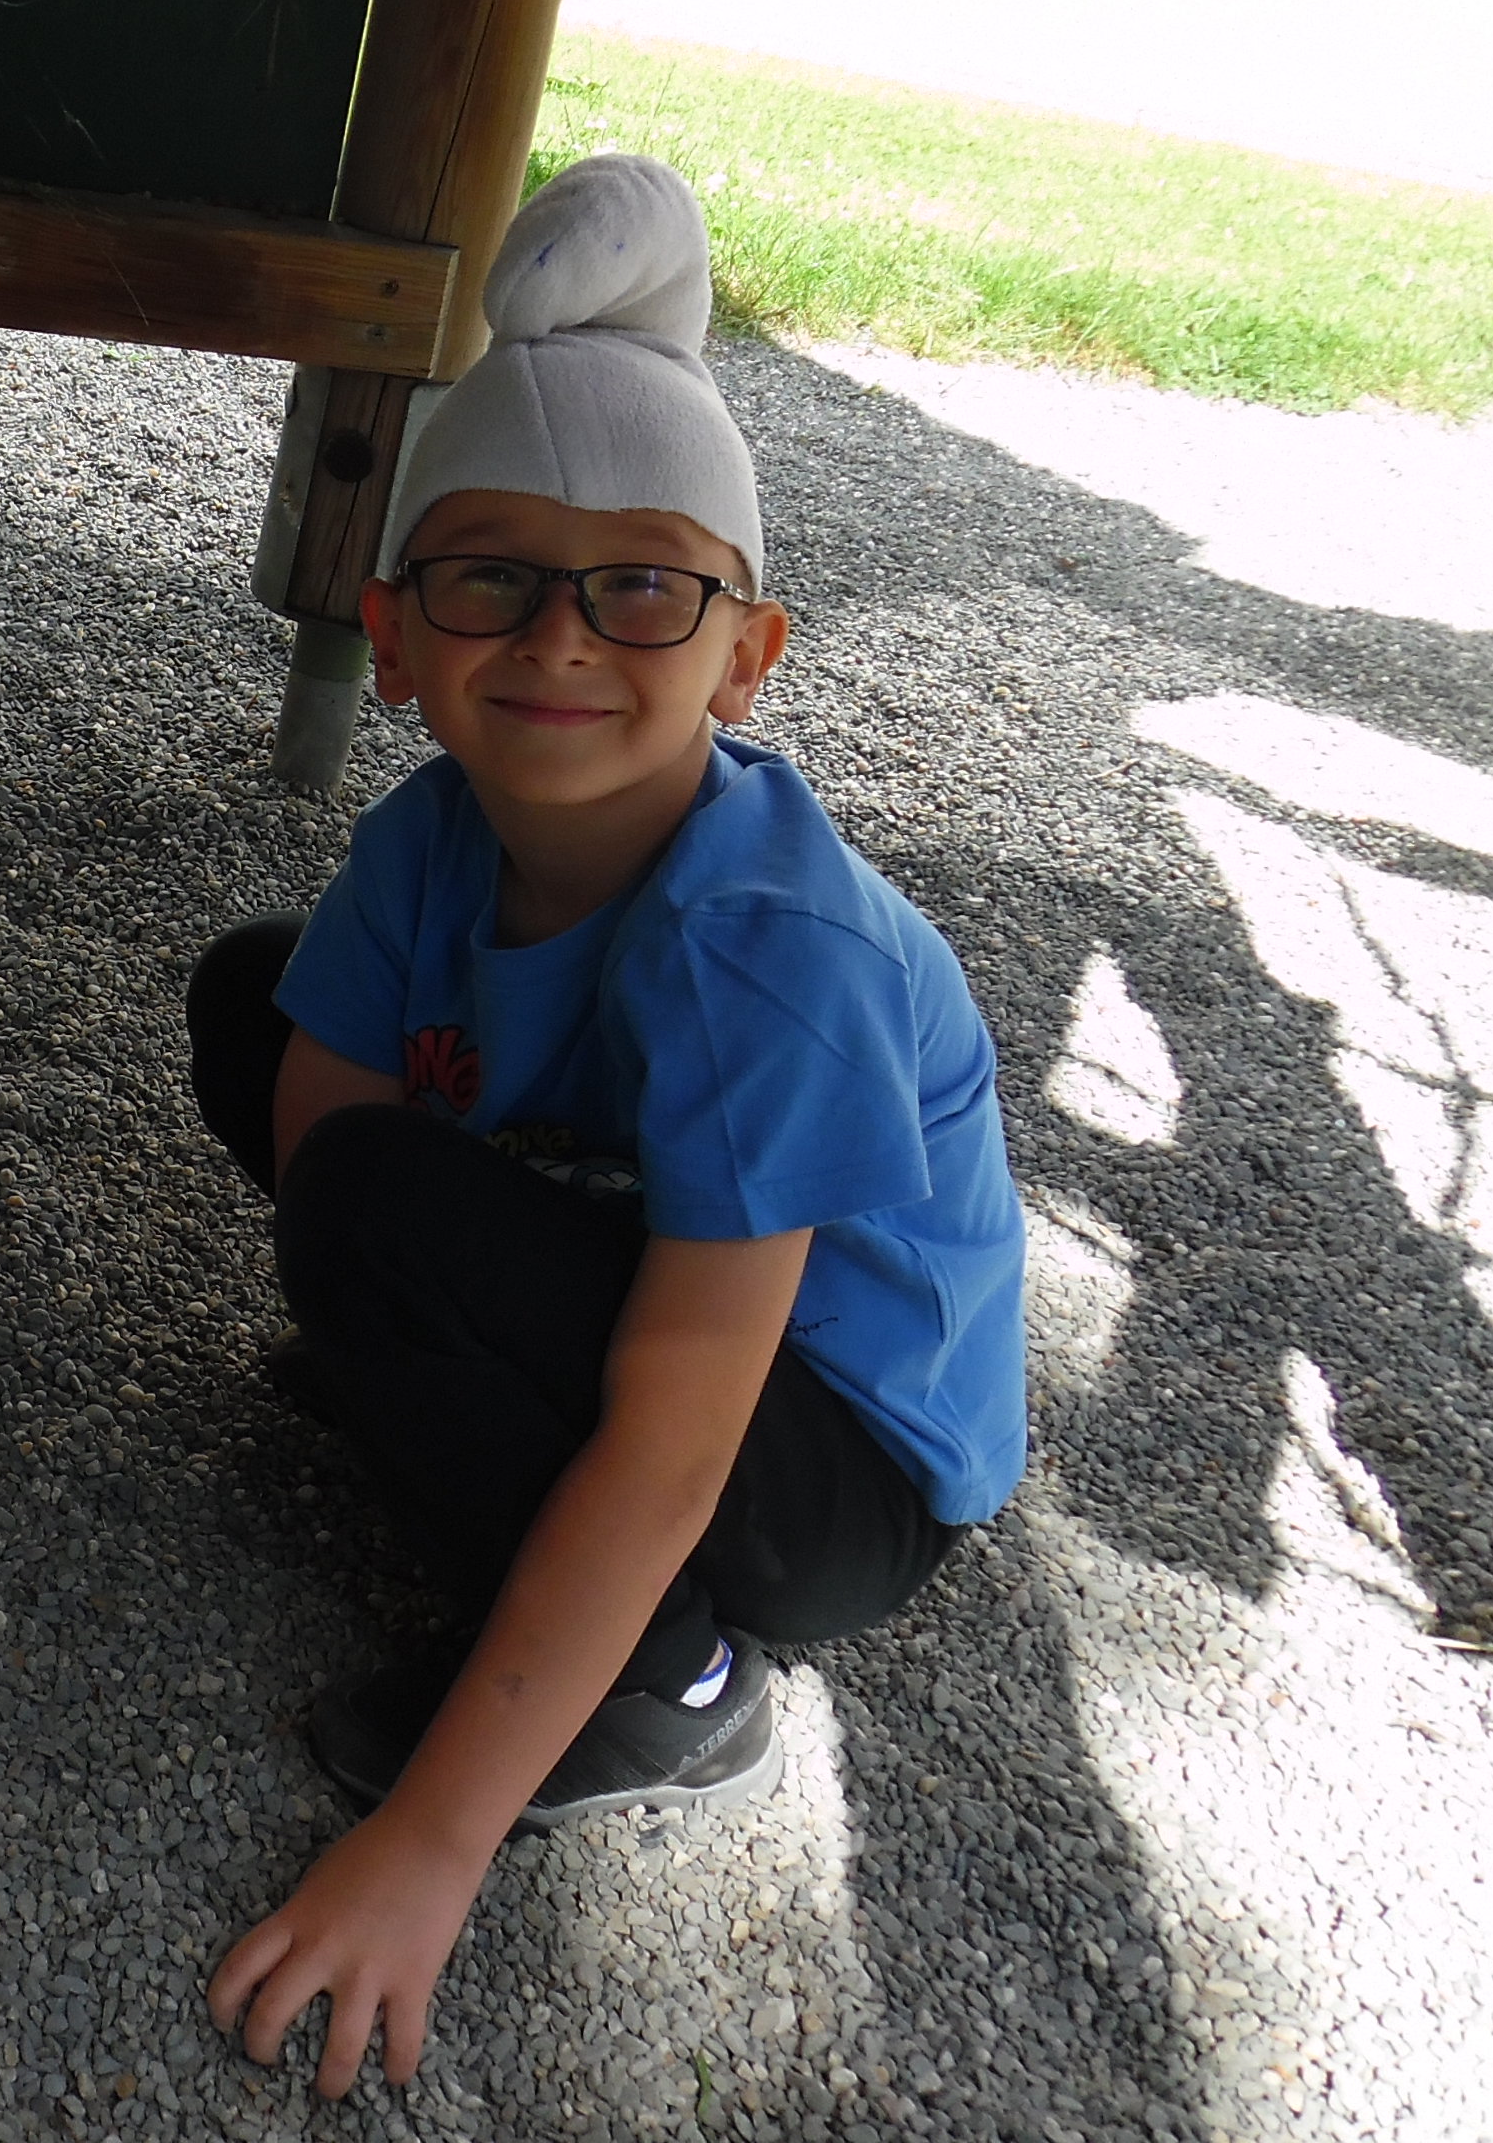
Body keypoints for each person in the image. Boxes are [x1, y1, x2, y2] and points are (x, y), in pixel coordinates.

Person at [190, 153, 1025, 2095]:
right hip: (643, 1275)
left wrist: (436, 1841)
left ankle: (673, 1686)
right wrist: (403, 1331)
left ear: (747, 652)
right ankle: (487, 1428)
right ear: (397, 634)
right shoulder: (432, 835)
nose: (560, 639)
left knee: (383, 1208)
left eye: (644, 586)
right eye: (491, 576)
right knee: (259, 1005)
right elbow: (318, 1124)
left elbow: (677, 1438)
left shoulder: (769, 950)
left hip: (835, 1462)